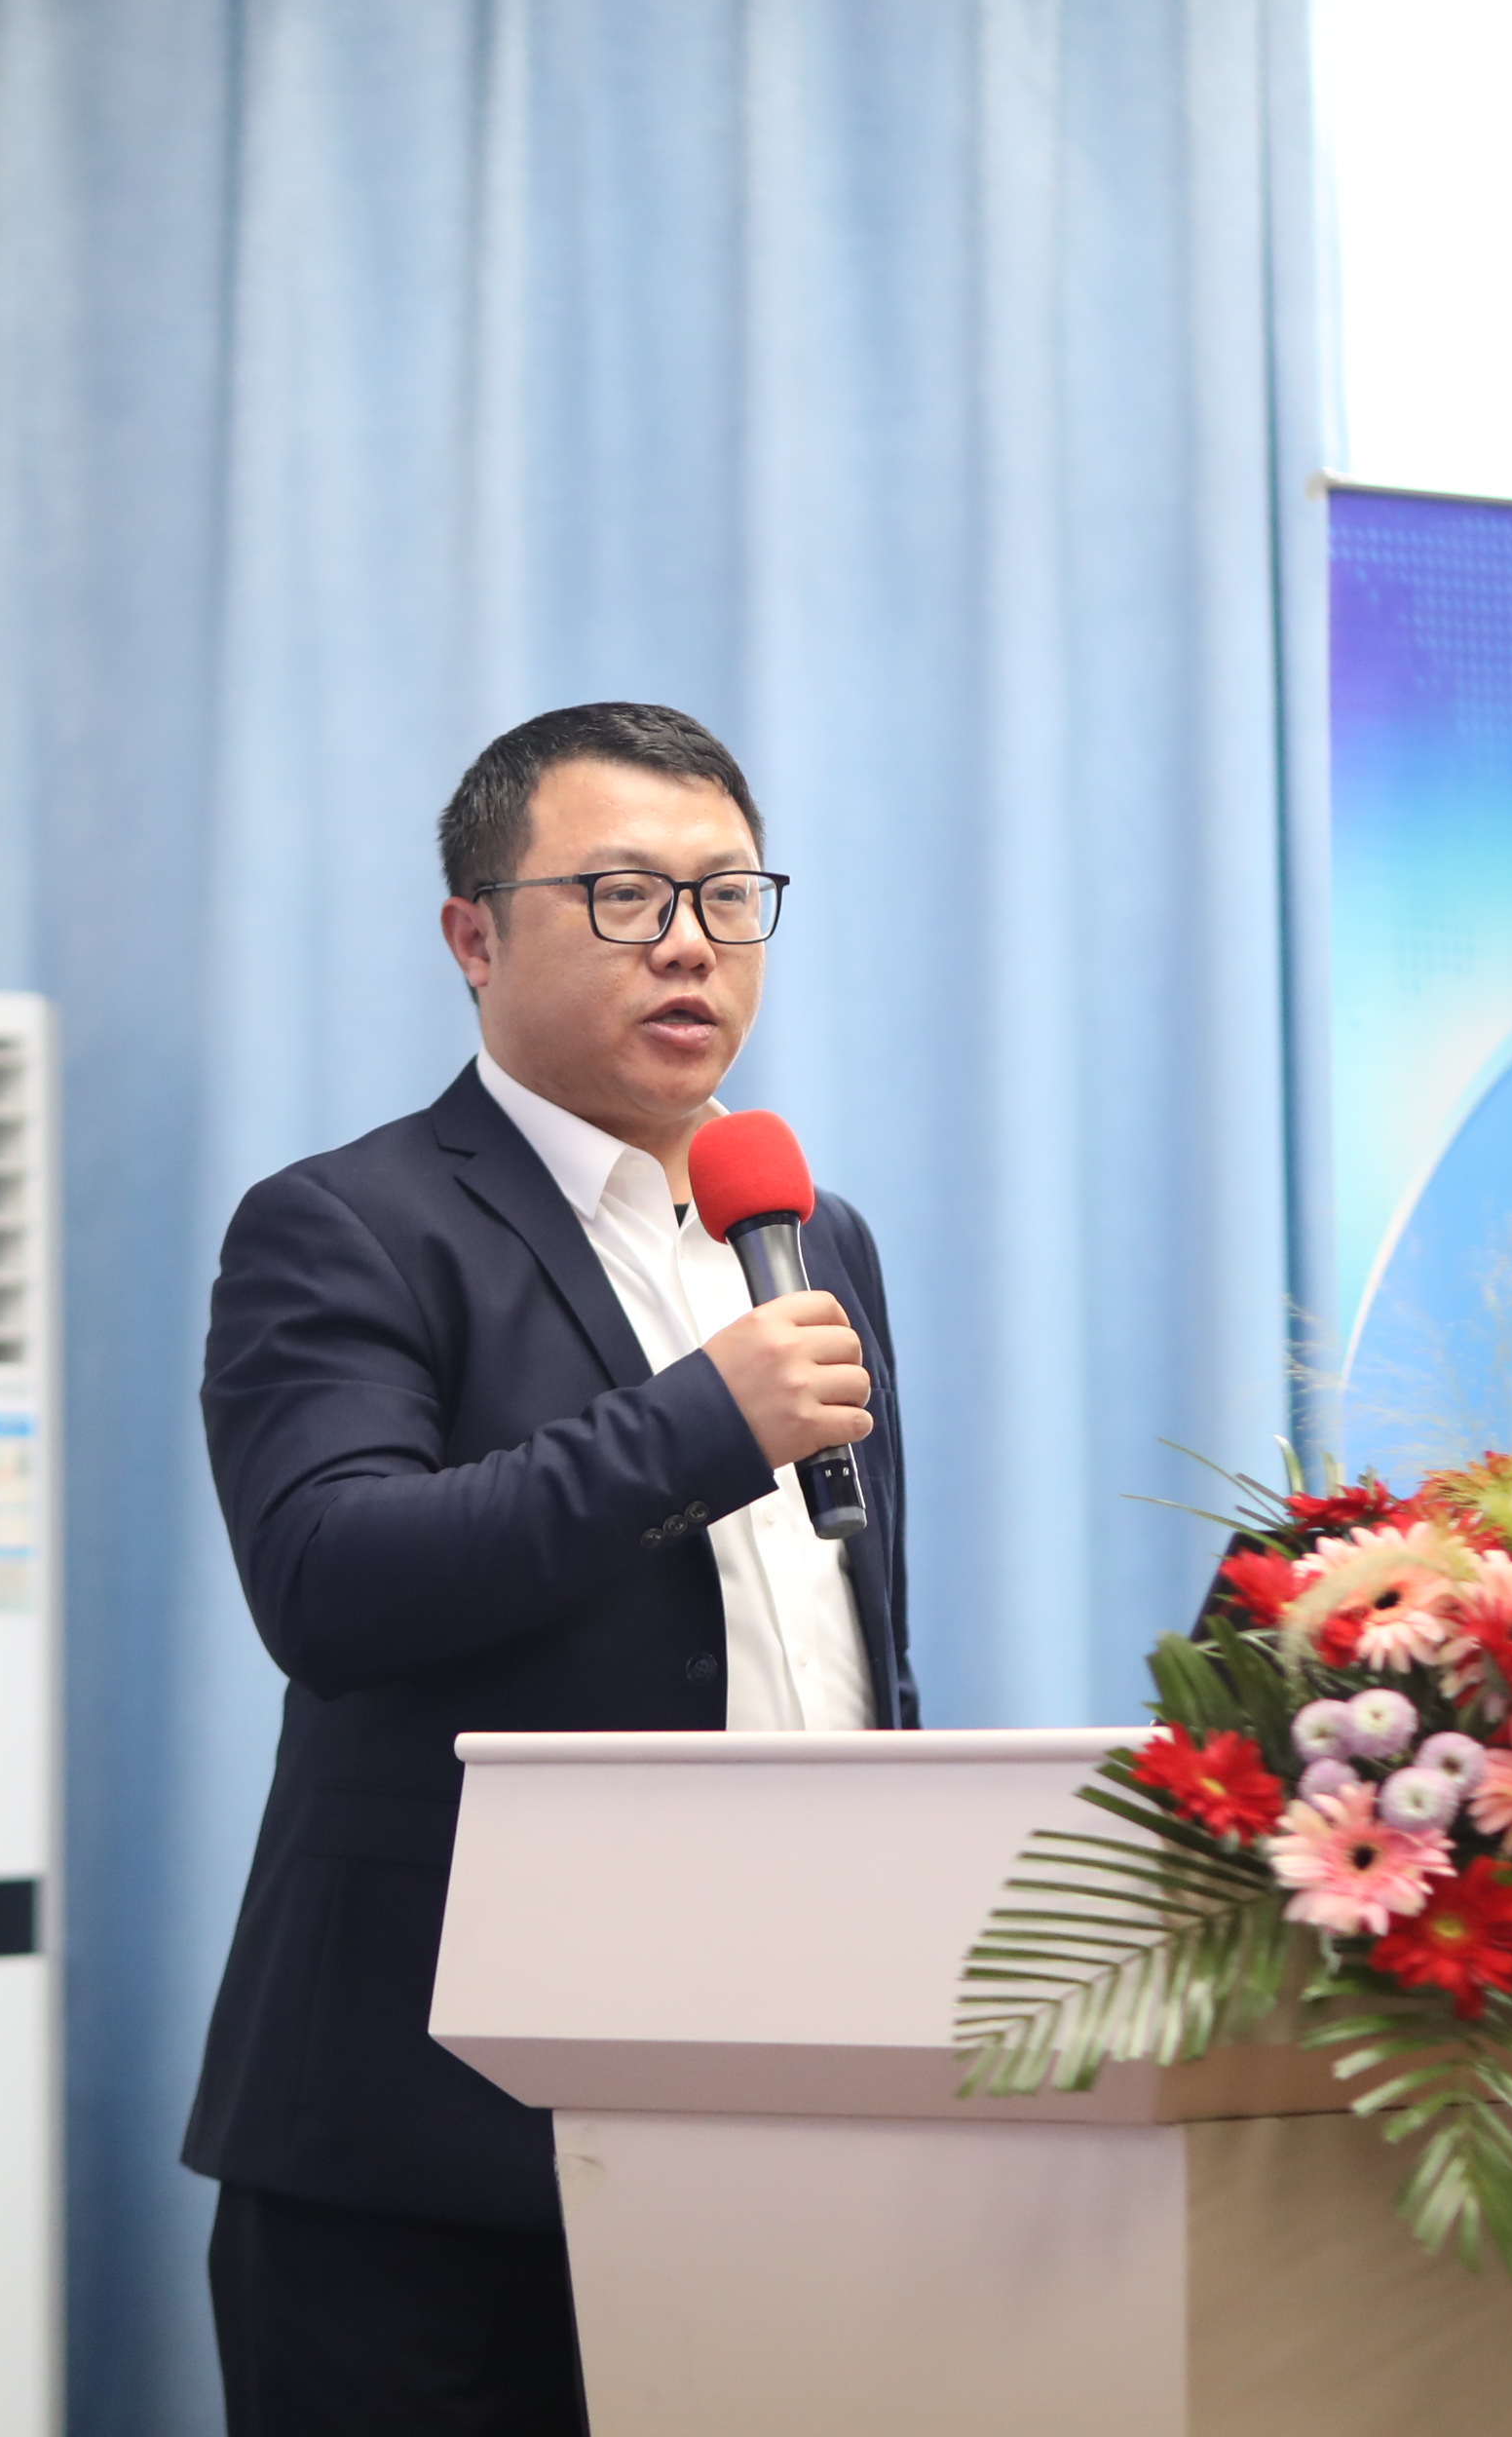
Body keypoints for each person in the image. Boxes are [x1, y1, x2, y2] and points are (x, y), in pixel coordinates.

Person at [181, 701, 923, 2437]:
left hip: (781, 2107)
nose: (690, 944)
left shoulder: (810, 1233)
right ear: (473, 935)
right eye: (622, 894)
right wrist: (701, 1425)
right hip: (431, 2151)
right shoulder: (349, 1224)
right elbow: (331, 1579)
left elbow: (841, 1644)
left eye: (729, 896)